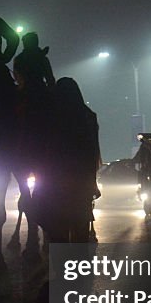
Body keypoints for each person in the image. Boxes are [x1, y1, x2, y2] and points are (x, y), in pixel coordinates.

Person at [31, 77, 101, 243]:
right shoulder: (88, 117)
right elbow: (92, 153)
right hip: (81, 185)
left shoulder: (51, 117)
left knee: (57, 234)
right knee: (80, 235)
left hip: (54, 186)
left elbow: (43, 152)